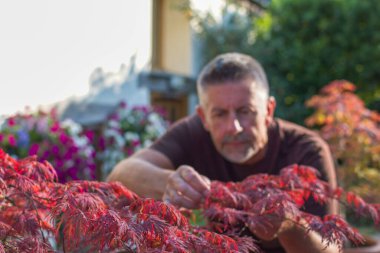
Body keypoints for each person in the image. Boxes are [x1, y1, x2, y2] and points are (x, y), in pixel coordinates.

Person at [107, 52, 339, 253]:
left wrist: (290, 226)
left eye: (245, 111)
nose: (234, 127)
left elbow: (331, 249)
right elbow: (120, 174)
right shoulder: (191, 134)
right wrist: (169, 181)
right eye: (219, 114)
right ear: (203, 117)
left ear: (268, 110)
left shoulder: (306, 151)